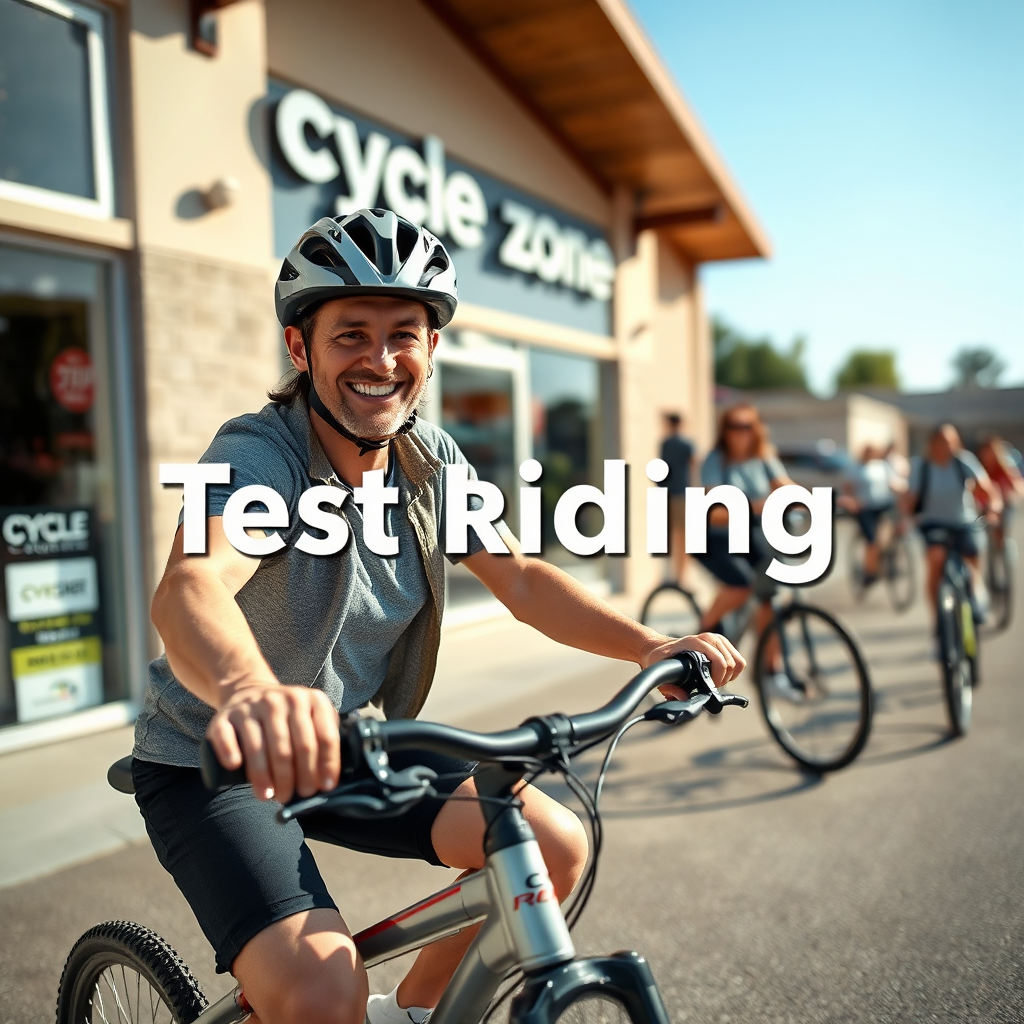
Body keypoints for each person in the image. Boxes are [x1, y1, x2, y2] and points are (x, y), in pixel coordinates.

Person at [131, 209, 745, 1024]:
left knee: (554, 850)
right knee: (322, 990)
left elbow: (521, 579)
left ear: (430, 347)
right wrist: (250, 690)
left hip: (348, 744)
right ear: (298, 347)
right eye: (350, 334)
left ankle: (413, 1015)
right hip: (216, 758)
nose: (379, 360)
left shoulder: (430, 462)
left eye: (403, 335)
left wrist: (650, 647)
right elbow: (192, 583)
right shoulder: (257, 455)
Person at [694, 404, 794, 657]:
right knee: (741, 586)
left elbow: (785, 487)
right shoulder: (715, 459)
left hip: (751, 534)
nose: (740, 432)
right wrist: (753, 506)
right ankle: (701, 634)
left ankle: (770, 671)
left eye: (747, 426)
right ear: (724, 431)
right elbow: (714, 509)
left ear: (756, 429)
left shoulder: (764, 456)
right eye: (734, 426)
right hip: (715, 536)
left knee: (769, 598)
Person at [901, 423, 1002, 631]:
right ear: (932, 443)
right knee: (936, 558)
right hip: (932, 522)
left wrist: (992, 508)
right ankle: (938, 621)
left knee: (972, 554)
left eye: (949, 441)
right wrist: (905, 519)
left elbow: (986, 488)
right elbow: (911, 498)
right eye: (941, 441)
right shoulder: (922, 466)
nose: (946, 446)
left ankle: (976, 596)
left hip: (963, 520)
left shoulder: (963, 461)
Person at [838, 442, 906, 585]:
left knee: (898, 525)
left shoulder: (882, 466)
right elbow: (848, 487)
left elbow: (892, 482)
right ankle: (869, 571)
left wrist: (904, 490)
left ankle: (891, 557)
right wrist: (852, 501)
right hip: (865, 507)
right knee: (872, 541)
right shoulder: (855, 468)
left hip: (884, 504)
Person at [658, 411, 696, 585]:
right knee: (683, 538)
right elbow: (694, 466)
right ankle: (680, 576)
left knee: (671, 537)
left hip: (669, 493)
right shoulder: (686, 444)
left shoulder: (666, 443)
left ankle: (674, 575)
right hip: (682, 494)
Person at [976, 435, 1024, 546]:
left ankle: (1005, 546)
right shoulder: (980, 470)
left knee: (1003, 532)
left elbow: (1017, 485)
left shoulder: (1004, 468)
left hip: (1005, 504)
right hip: (987, 506)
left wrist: (1009, 495)